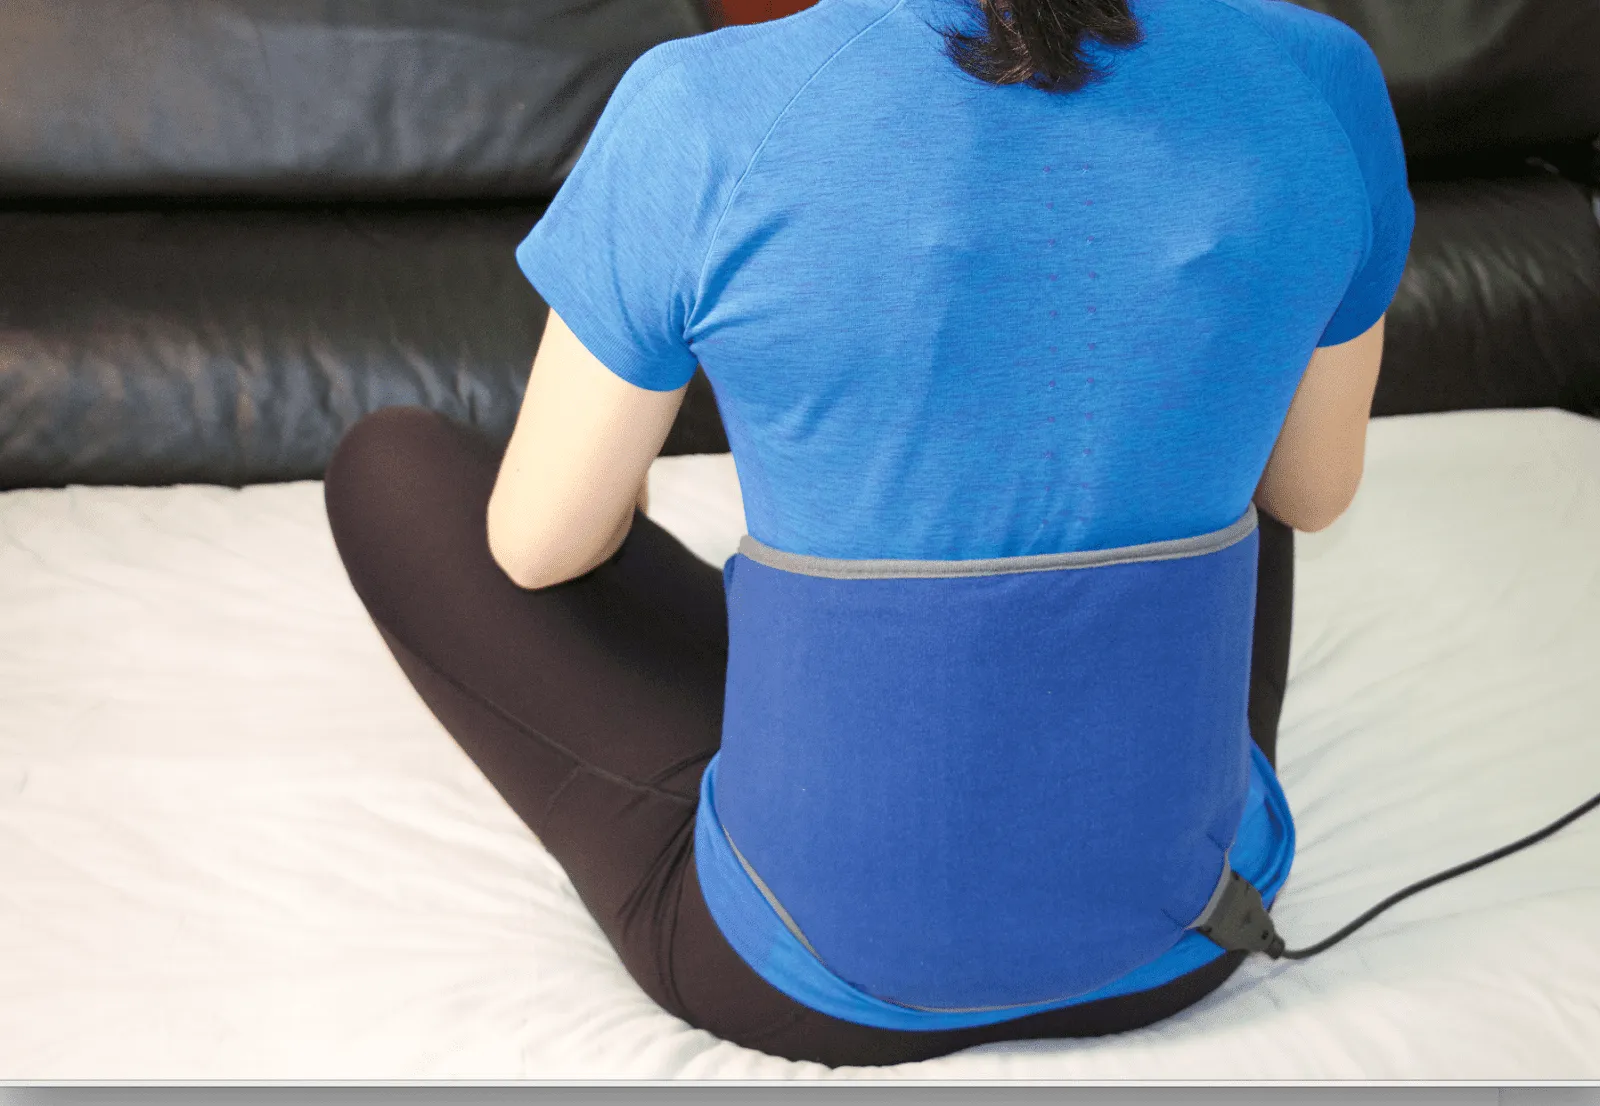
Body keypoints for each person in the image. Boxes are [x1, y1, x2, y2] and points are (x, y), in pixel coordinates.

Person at [322, 0, 1413, 1068]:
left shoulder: (705, 107)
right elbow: (1311, 493)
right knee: (1241, 426)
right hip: (1177, 942)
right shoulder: (1317, 73)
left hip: (811, 981)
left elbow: (540, 546)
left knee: (391, 465)